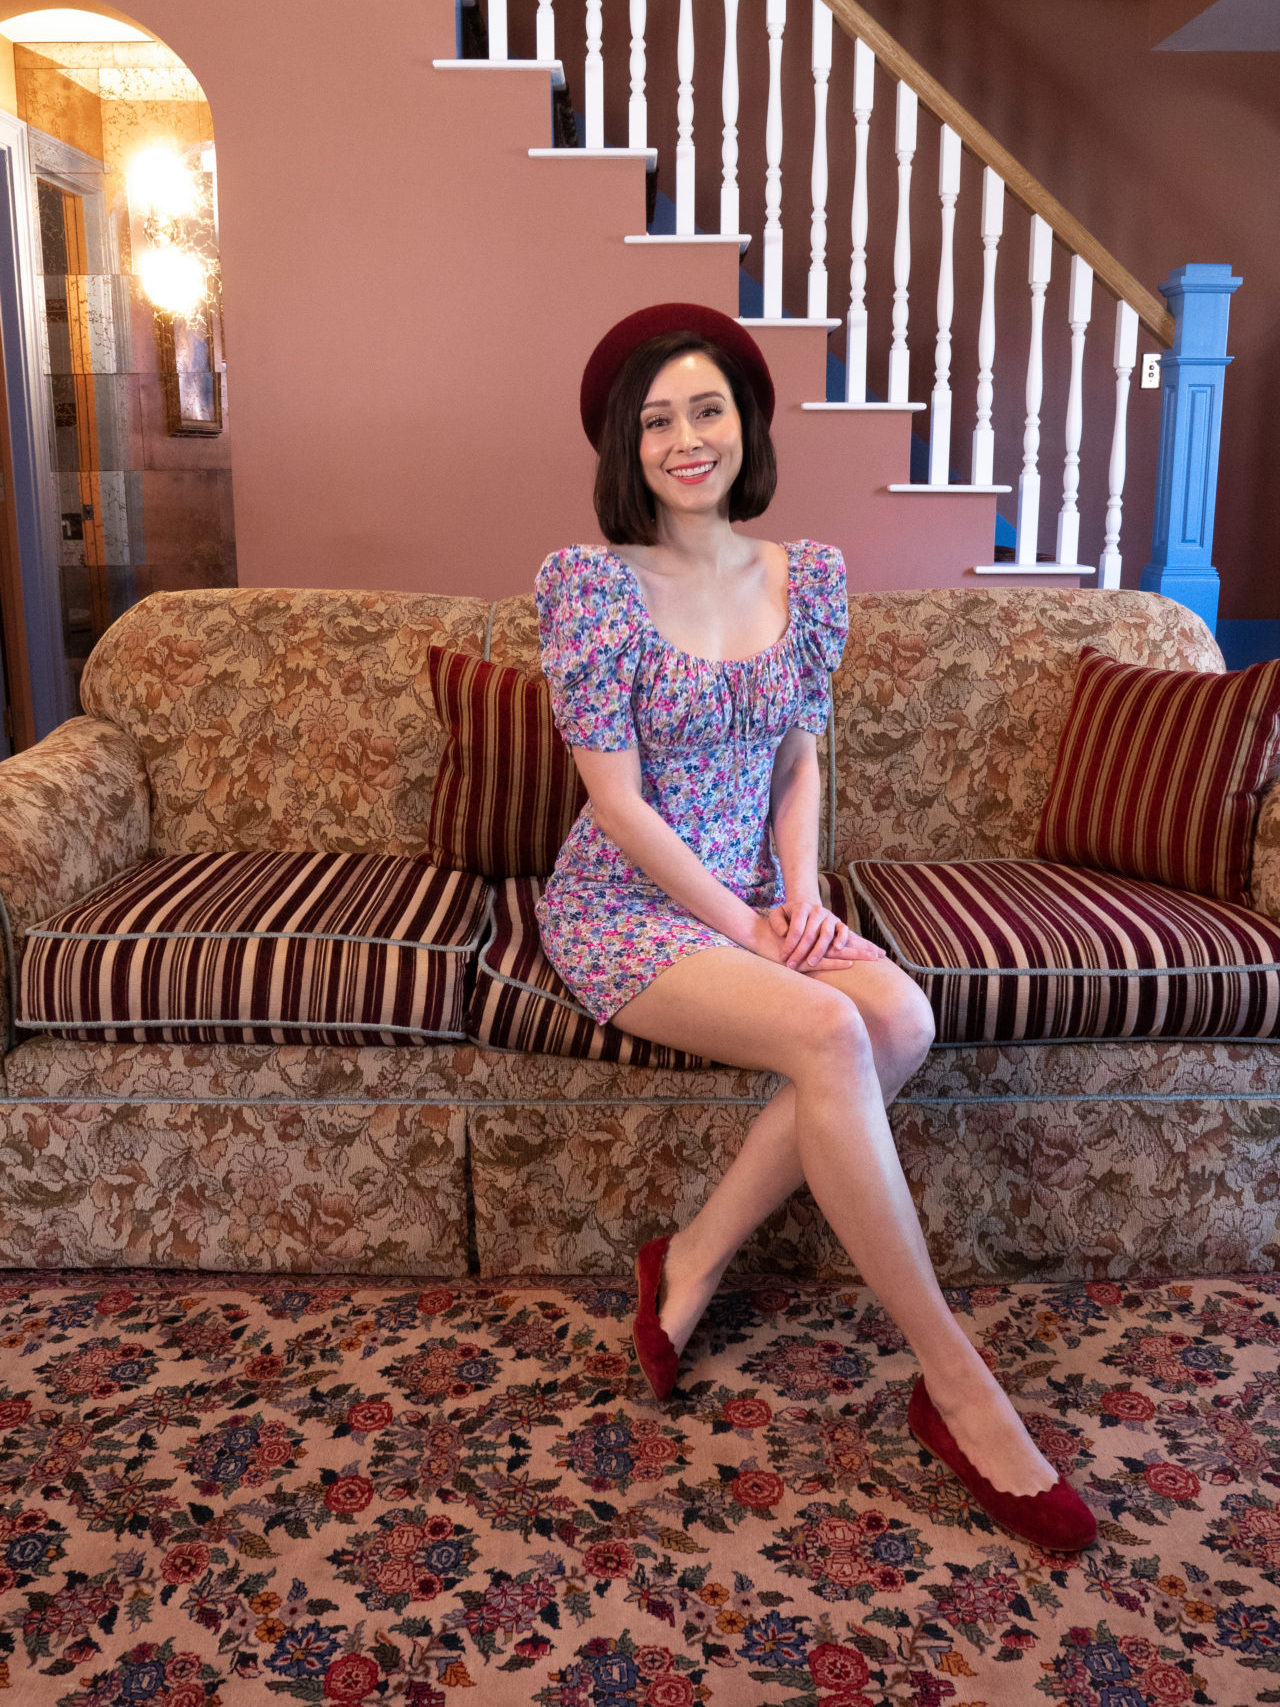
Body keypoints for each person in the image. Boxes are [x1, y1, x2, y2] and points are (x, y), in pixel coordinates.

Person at [533, 302, 1094, 1553]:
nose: (686, 439)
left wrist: (800, 894)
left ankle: (688, 1256)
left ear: (747, 420)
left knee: (903, 1012)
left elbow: (798, 764)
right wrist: (741, 924)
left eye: (708, 408)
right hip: (632, 906)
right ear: (625, 445)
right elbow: (614, 804)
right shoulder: (590, 586)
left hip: (754, 892)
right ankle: (956, 1387)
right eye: (658, 419)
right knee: (837, 1037)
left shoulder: (810, 575)